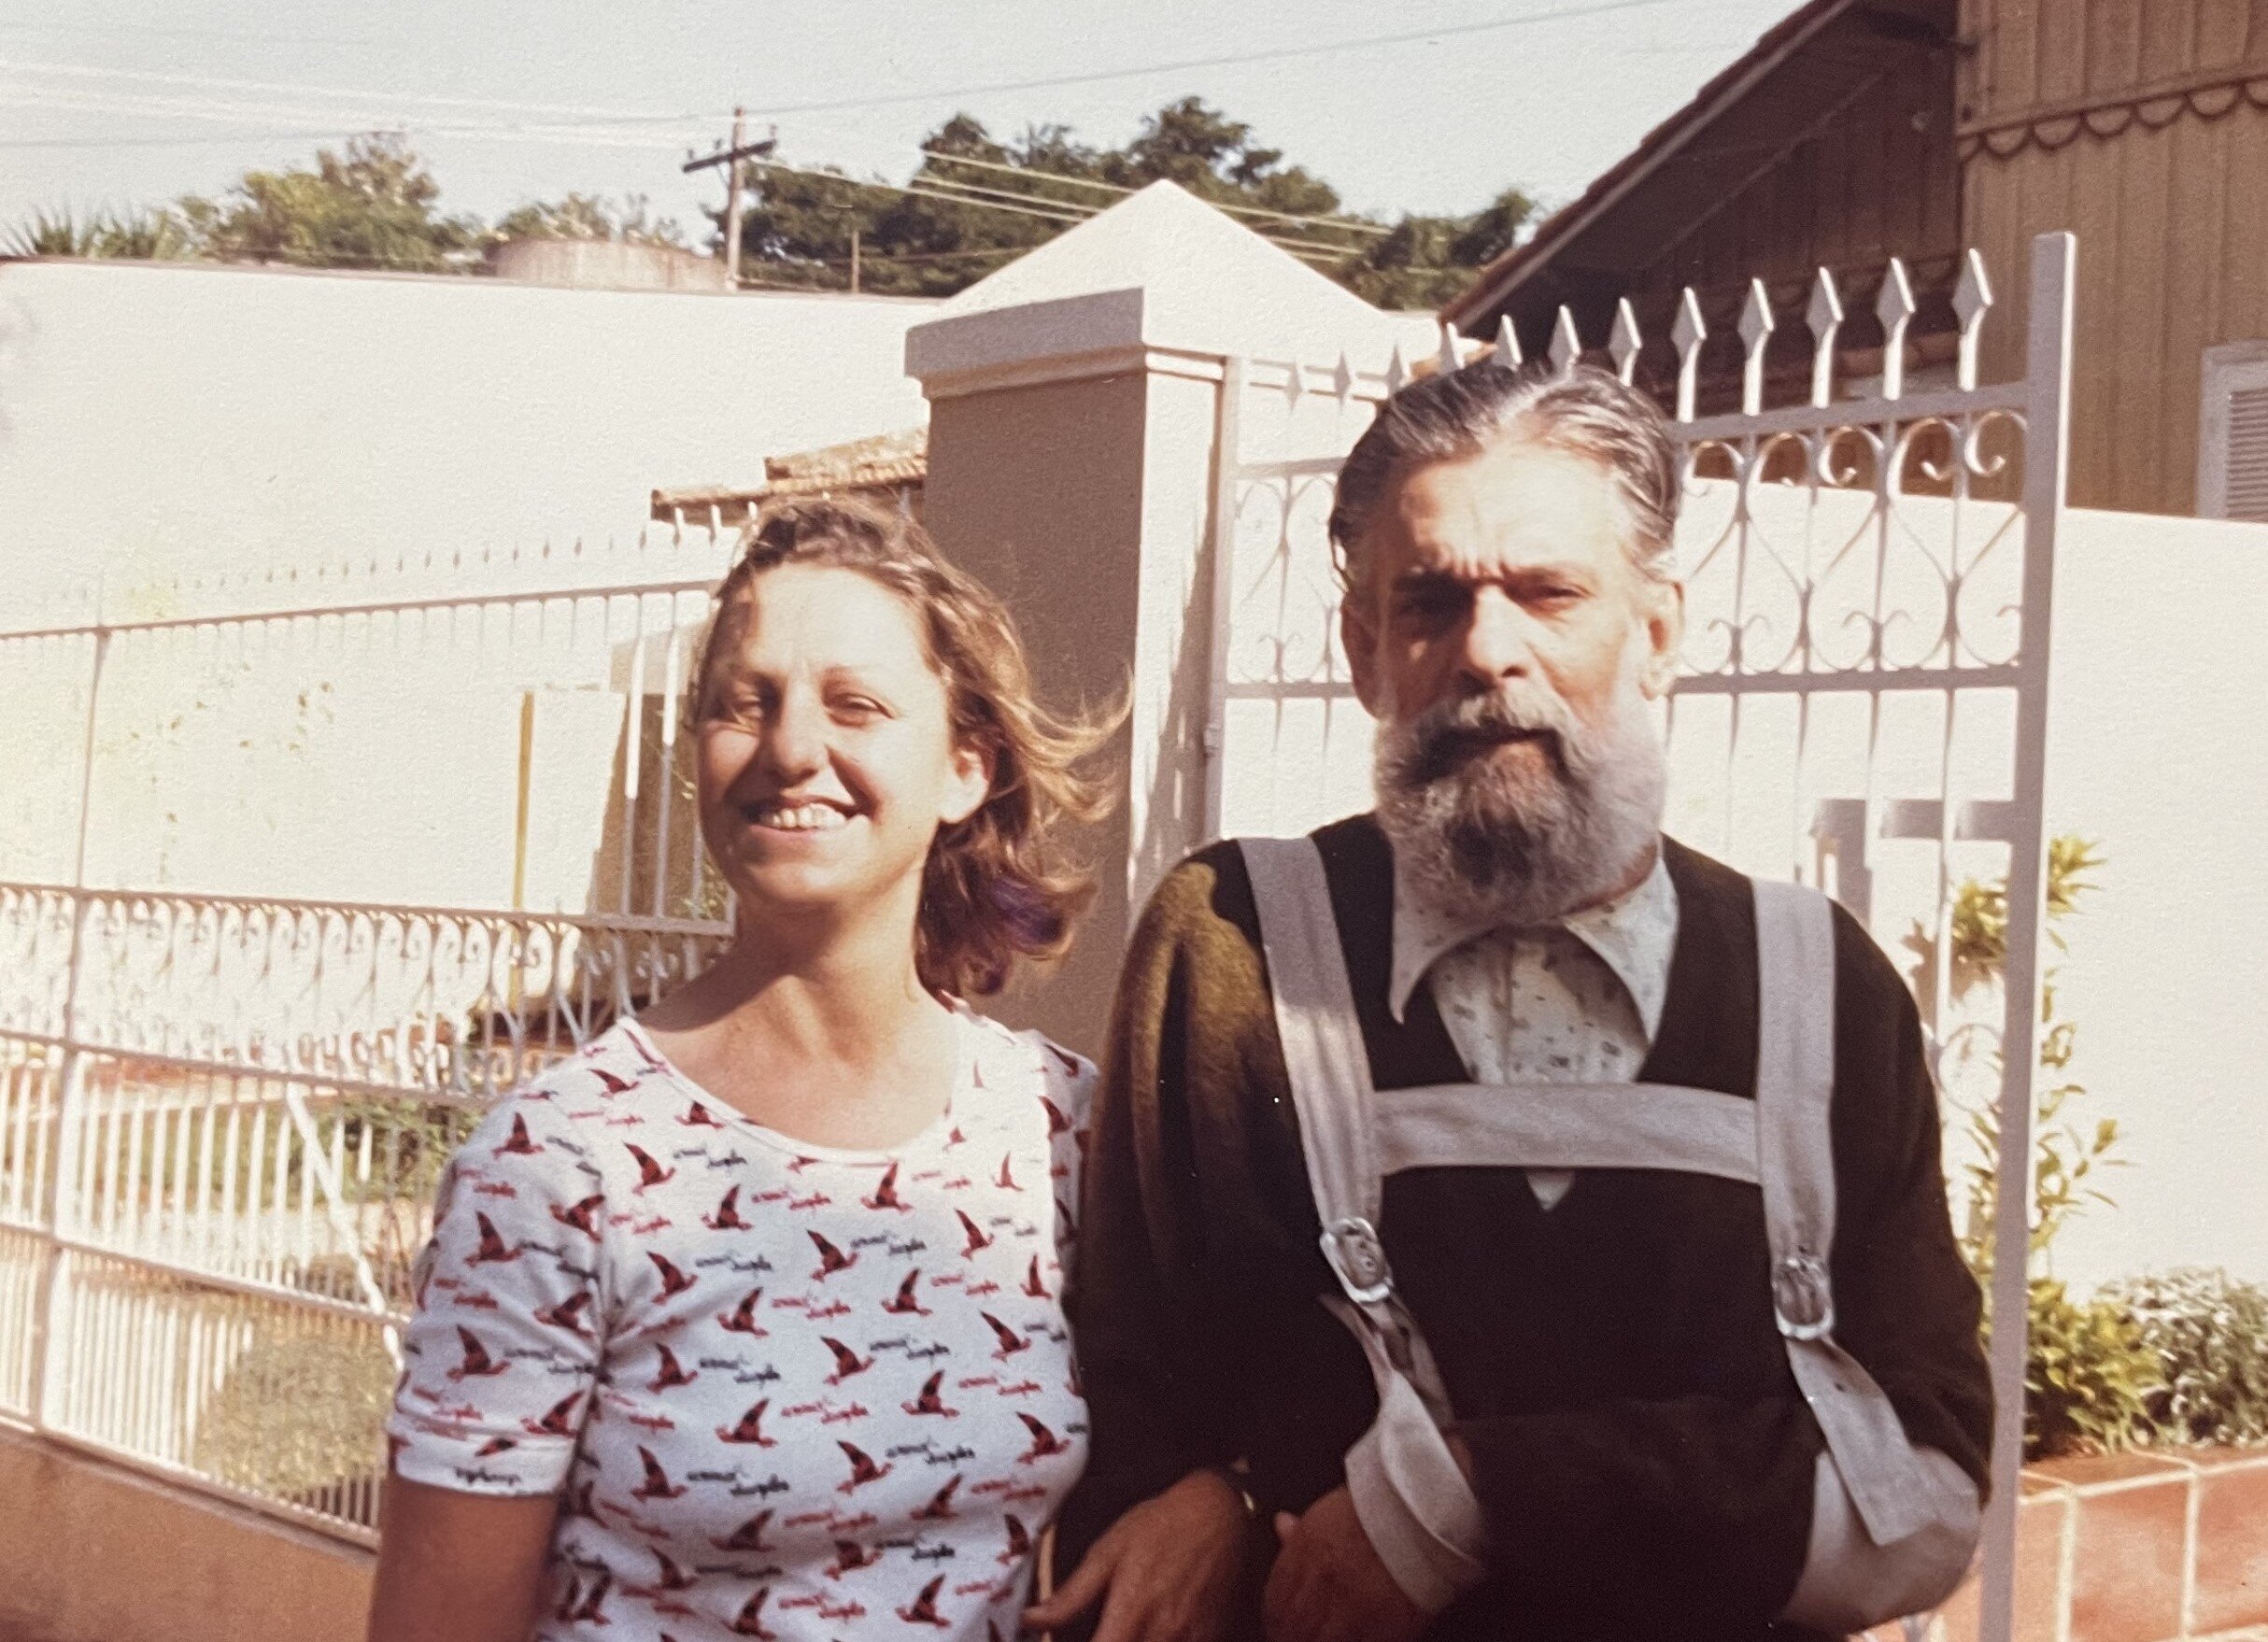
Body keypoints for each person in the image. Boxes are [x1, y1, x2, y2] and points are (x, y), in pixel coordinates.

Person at [1033, 361, 1995, 1642]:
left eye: (1548, 592)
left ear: (1655, 630)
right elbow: (1138, 1418)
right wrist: (1220, 1491)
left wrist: (1470, 1494)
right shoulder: (1235, 946)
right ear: (1362, 647)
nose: (1488, 651)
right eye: (1429, 601)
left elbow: (1926, 1487)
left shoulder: (1820, 984)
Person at [369, 498, 1114, 1642]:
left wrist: (1227, 1496)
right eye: (743, 704)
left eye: (854, 705)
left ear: (966, 767)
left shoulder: (1055, 1127)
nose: (790, 749)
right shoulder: (561, 1163)